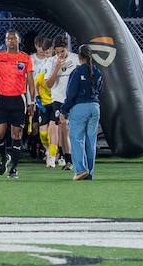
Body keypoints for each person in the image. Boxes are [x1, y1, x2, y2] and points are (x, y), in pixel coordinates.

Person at [0, 29, 35, 179]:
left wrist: (32, 101)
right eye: (8, 39)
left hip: (18, 100)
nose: (11, 41)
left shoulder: (25, 58)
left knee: (16, 133)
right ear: (5, 41)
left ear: (19, 40)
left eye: (13, 38)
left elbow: (31, 82)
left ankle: (14, 168)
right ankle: (4, 156)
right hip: (1, 99)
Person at [60, 44, 104, 181]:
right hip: (95, 107)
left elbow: (71, 93)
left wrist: (64, 111)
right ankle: (89, 172)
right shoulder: (97, 72)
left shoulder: (77, 72)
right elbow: (100, 89)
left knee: (77, 138)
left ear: (79, 57)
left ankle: (80, 170)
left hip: (80, 108)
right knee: (91, 140)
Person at [45, 35, 80, 171]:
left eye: (62, 52)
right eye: (57, 52)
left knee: (75, 130)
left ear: (66, 48)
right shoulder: (51, 62)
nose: (60, 54)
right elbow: (48, 84)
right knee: (63, 127)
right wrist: (56, 68)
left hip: (75, 99)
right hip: (59, 99)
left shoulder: (76, 59)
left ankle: (80, 158)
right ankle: (68, 160)